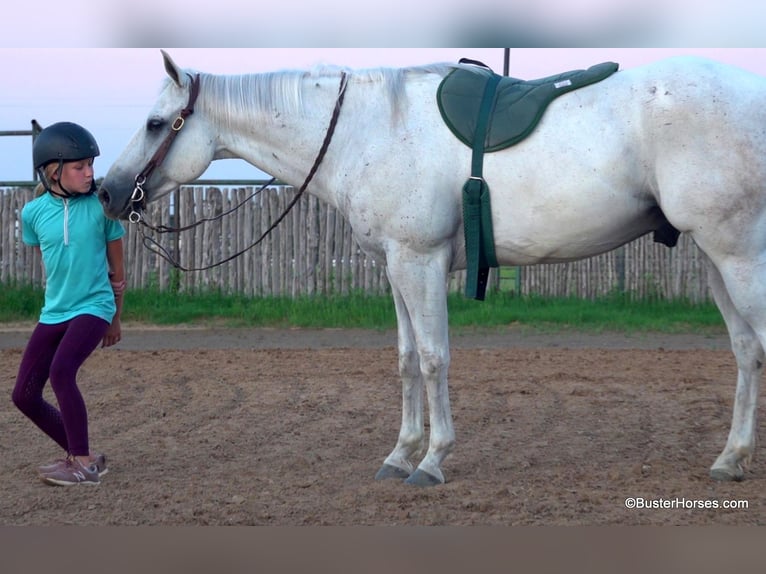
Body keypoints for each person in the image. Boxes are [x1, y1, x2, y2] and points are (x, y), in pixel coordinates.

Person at [12, 122, 126, 486]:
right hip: (54, 310)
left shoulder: (100, 208)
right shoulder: (33, 214)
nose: (90, 172)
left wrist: (115, 319)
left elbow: (118, 275)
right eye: (80, 167)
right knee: (23, 396)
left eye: (91, 164)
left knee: (62, 372)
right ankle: (86, 455)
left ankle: (82, 466)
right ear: (53, 172)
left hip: (95, 305)